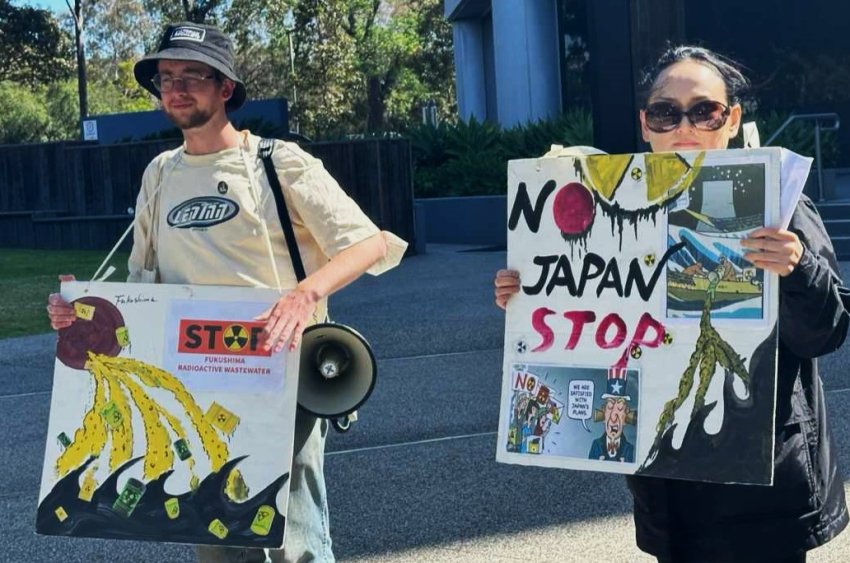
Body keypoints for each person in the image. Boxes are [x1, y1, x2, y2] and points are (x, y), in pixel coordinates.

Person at [46, 22, 407, 563]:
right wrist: (80, 318)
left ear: (225, 89)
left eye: (193, 75)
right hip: (192, 385)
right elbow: (142, 288)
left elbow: (369, 242)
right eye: (167, 77)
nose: (177, 87)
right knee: (212, 541)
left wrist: (306, 294)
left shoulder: (277, 161)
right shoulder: (160, 174)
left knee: (296, 544)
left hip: (282, 374)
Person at [494, 45, 849, 562]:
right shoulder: (613, 210)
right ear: (645, 124)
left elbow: (826, 332)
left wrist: (798, 269)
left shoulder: (780, 204)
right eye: (665, 111)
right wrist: (526, 297)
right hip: (668, 490)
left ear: (732, 120)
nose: (684, 124)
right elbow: (590, 332)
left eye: (704, 110)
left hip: (765, 490)